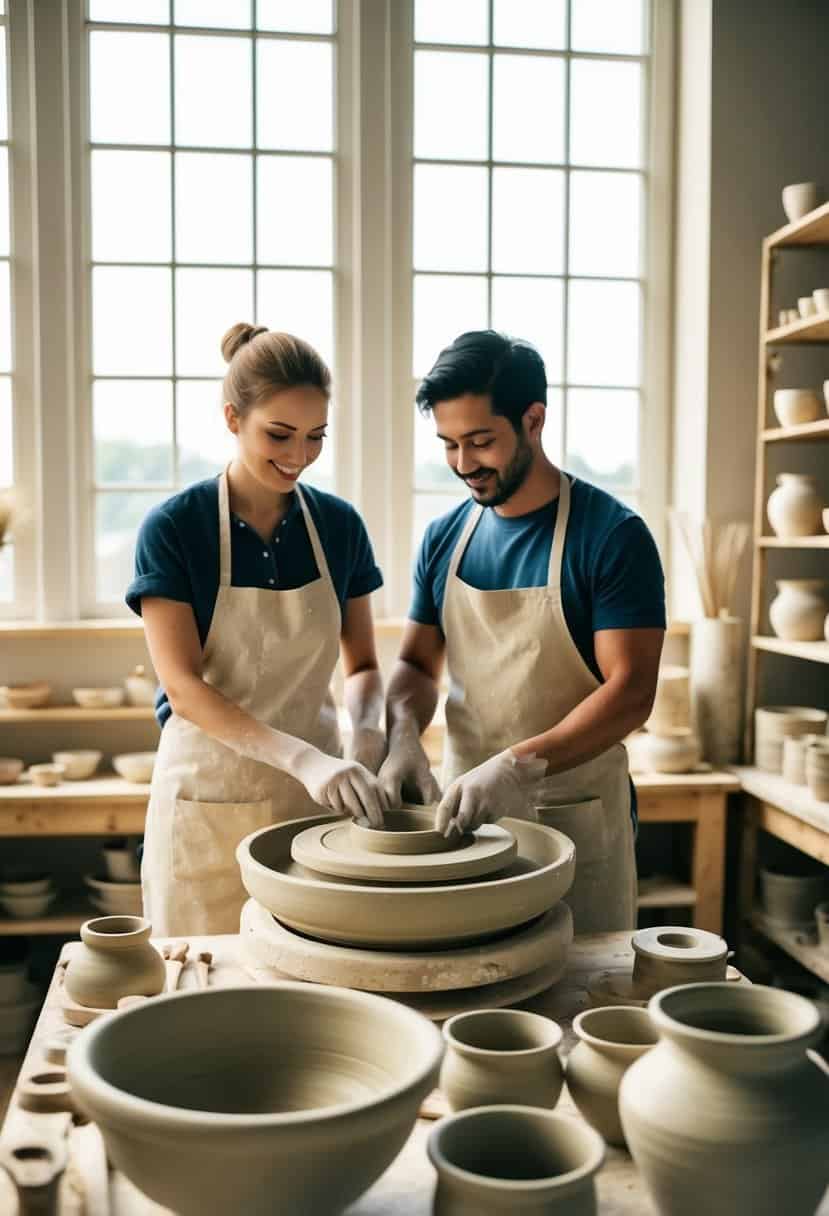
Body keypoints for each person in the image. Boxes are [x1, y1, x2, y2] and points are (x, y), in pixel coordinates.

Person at [378, 331, 666, 932]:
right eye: (448, 444)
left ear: (533, 419)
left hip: (575, 821)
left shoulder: (611, 536)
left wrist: (516, 765)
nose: (463, 464)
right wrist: (403, 734)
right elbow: (414, 666)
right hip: (462, 819)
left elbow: (632, 691)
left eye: (481, 442)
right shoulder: (443, 538)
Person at [127, 324, 389, 936]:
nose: (298, 456)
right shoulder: (175, 528)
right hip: (206, 803)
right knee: (199, 995)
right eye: (279, 434)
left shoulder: (340, 527)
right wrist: (305, 759)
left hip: (313, 810)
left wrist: (368, 734)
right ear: (231, 418)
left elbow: (366, 666)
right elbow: (185, 688)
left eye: (315, 437)